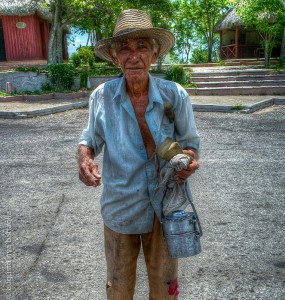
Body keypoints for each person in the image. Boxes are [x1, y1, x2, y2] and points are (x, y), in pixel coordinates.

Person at [77, 9, 200, 300]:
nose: (134, 56)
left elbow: (190, 142)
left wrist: (188, 160)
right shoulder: (101, 97)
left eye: (142, 46)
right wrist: (84, 158)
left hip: (165, 207)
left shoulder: (175, 95)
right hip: (120, 208)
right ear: (115, 56)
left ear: (154, 54)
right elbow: (89, 139)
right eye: (125, 48)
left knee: (165, 288)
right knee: (118, 288)